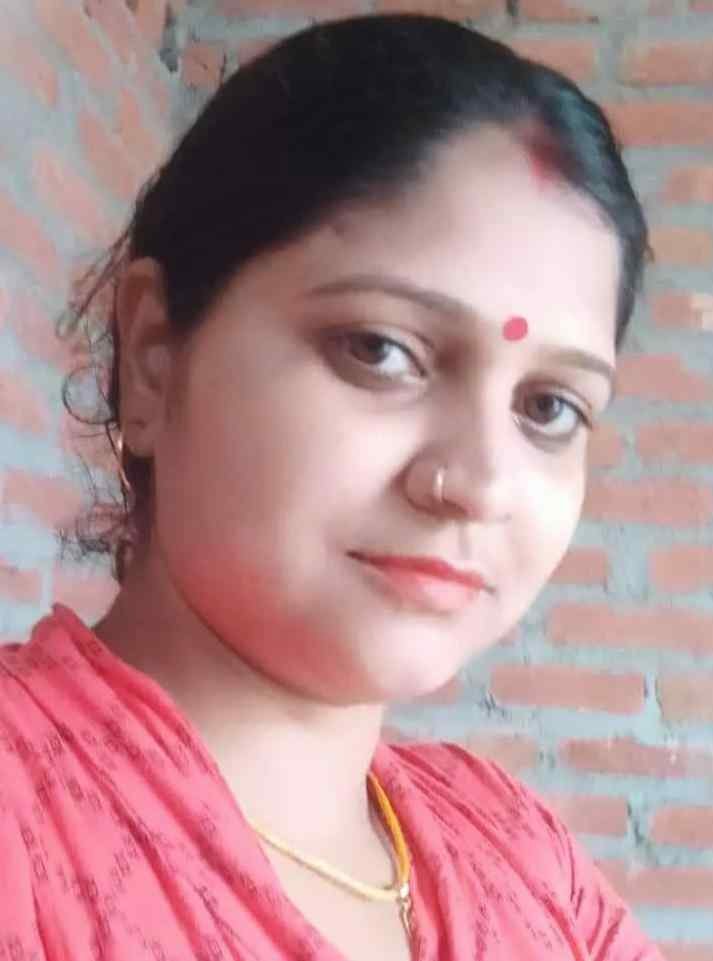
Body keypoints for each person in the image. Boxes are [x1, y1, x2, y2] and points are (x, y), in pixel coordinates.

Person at [0, 13, 659, 961]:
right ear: (152, 357)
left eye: (549, 407)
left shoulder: (522, 856)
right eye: (380, 350)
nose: (478, 483)